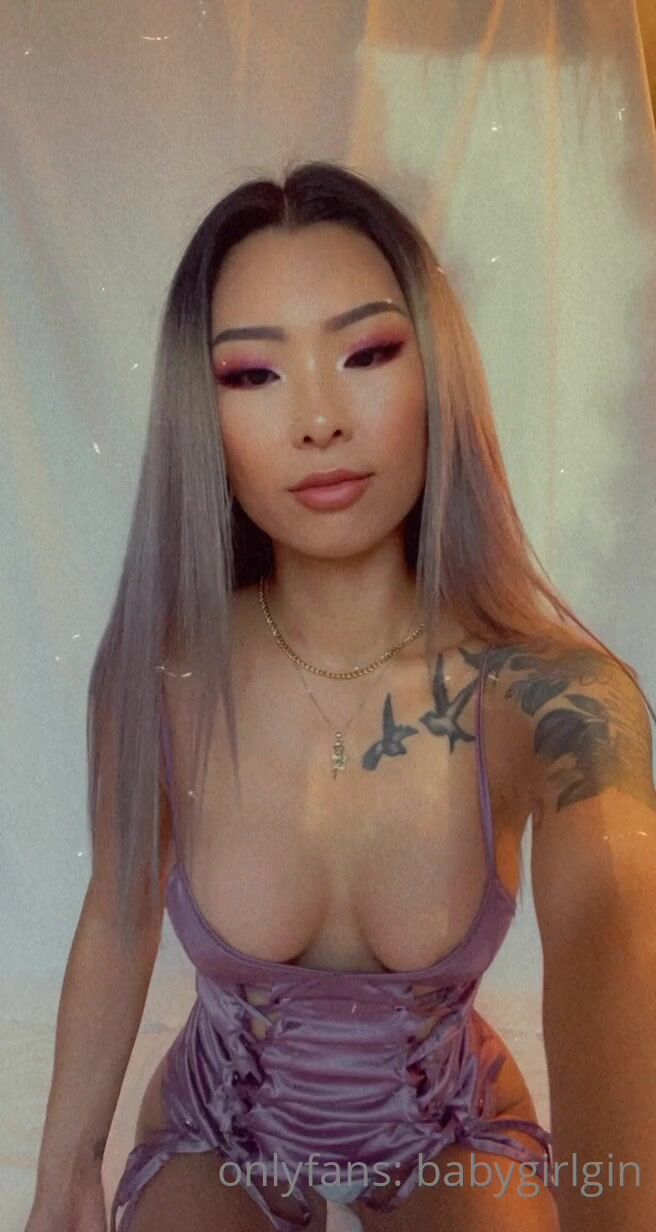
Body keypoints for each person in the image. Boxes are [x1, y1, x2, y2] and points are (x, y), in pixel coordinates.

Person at [27, 160, 656, 1232]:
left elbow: (617, 937)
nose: (318, 419)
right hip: (219, 1129)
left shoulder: (552, 700)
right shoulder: (158, 676)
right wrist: (63, 1173)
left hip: (449, 1126)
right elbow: (120, 909)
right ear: (200, 413)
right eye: (252, 374)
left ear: (438, 376)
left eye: (366, 353)